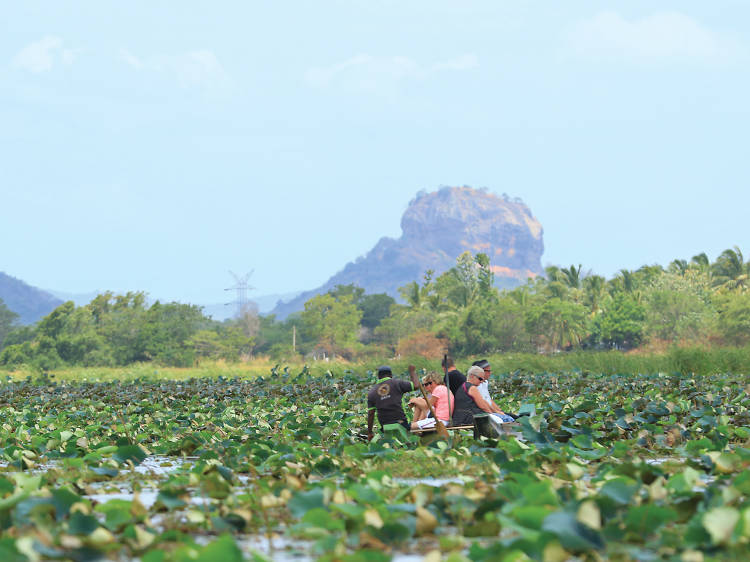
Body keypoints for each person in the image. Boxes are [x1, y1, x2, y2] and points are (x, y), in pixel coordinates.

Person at [367, 364, 419, 441]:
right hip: (401, 422)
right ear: (391, 375)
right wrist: (412, 372)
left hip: (384, 426)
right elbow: (416, 385)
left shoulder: (372, 392)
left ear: (378, 376)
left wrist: (370, 433)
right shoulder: (397, 383)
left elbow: (371, 413)